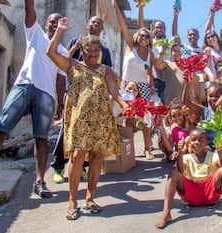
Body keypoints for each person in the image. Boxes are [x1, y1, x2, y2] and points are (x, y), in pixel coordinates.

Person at [0, 0, 67, 199]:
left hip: (47, 96)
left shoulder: (63, 52)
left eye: (57, 23)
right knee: (2, 128)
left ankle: (40, 182)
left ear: (62, 27)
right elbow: (29, 7)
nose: (53, 25)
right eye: (51, 22)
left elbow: (60, 82)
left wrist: (61, 104)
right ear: (46, 23)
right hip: (24, 86)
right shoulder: (35, 33)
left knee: (41, 139)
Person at [47, 17, 127, 220]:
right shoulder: (72, 65)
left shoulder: (106, 70)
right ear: (81, 50)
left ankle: (90, 198)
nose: (92, 54)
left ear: (99, 52)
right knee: (76, 156)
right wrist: (60, 32)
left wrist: (126, 105)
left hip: (100, 119)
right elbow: (51, 52)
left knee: (97, 158)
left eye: (95, 51)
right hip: (78, 119)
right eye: (88, 51)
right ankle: (72, 200)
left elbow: (115, 90)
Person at [51, 15, 112, 184]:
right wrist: (76, 46)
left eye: (99, 24)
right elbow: (64, 60)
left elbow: (108, 73)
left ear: (101, 29)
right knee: (66, 132)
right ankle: (58, 166)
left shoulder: (104, 51)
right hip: (75, 96)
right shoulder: (75, 41)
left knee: (88, 137)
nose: (95, 25)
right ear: (87, 25)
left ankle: (82, 167)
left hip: (94, 101)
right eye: (93, 22)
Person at [154, 128, 222, 229]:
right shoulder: (186, 158)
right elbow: (180, 171)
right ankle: (166, 213)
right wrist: (180, 152)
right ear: (189, 143)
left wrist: (220, 151)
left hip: (211, 194)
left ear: (206, 142)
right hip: (191, 195)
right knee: (173, 174)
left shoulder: (212, 156)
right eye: (194, 140)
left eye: (201, 140)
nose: (197, 142)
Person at [113, 0, 156, 160]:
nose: (143, 37)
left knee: (146, 119)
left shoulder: (150, 54)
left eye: (146, 36)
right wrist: (115, 5)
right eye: (141, 35)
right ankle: (127, 150)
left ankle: (147, 148)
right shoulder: (131, 46)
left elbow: (149, 72)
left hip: (143, 87)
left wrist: (151, 85)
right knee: (126, 117)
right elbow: (123, 25)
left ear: (149, 39)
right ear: (137, 37)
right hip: (126, 86)